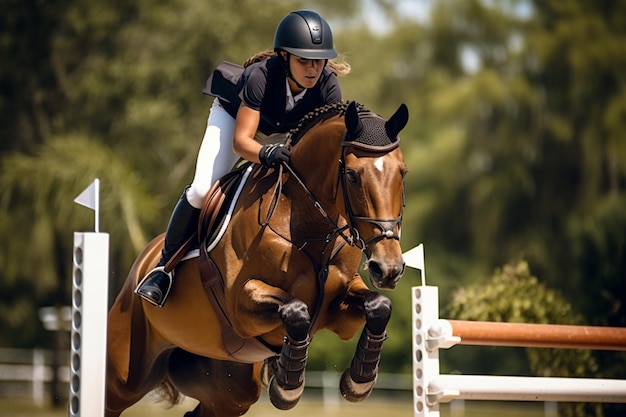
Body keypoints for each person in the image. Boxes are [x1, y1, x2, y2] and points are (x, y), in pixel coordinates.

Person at [135, 9, 351, 307]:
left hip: (283, 133)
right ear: (284, 57)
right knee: (201, 190)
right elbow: (241, 142)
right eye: (304, 60)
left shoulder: (327, 86)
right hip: (235, 122)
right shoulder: (261, 76)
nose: (313, 69)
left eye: (319, 60)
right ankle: (164, 268)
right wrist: (266, 153)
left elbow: (322, 147)